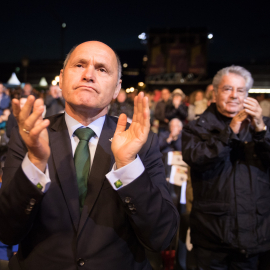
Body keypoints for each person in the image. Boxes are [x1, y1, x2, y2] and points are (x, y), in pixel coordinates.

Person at [0, 41, 179, 270]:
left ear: (117, 88)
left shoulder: (141, 142)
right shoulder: (30, 137)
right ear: (62, 78)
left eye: (102, 69)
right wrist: (35, 162)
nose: (89, 75)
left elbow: (161, 237)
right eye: (79, 65)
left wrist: (127, 165)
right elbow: (7, 231)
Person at [182, 65, 270, 269]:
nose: (234, 96)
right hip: (212, 239)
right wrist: (229, 133)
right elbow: (196, 158)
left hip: (256, 237)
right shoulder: (196, 127)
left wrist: (260, 130)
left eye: (240, 91)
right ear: (214, 92)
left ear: (248, 95)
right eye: (227, 89)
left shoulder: (263, 126)